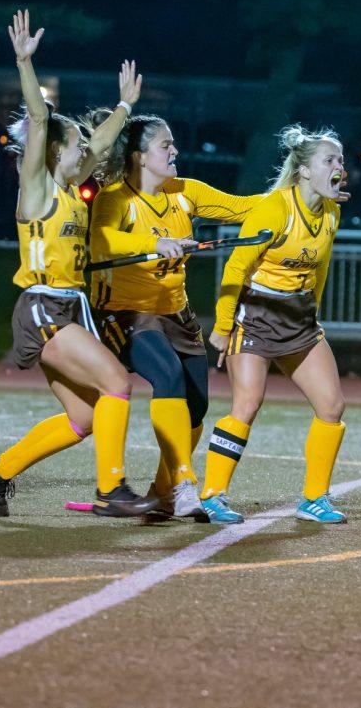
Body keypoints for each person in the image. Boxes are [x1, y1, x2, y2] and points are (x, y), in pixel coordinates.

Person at [0, 9, 159, 519]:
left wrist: (124, 105)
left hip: (69, 309)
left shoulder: (75, 191)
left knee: (85, 418)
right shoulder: (36, 189)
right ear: (54, 150)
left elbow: (100, 142)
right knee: (117, 384)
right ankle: (111, 489)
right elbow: (38, 120)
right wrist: (24, 64)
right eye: (76, 144)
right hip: (43, 305)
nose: (88, 151)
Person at [87, 113, 267, 519]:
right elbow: (102, 240)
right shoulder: (115, 198)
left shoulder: (186, 191)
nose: (175, 151)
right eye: (165, 145)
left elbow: (244, 208)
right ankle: (187, 483)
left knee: (197, 407)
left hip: (176, 314)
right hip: (126, 314)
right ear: (139, 156)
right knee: (167, 378)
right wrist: (155, 241)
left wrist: (299, 194)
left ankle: (162, 493)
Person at [199, 125, 349, 525]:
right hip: (257, 316)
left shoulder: (332, 212)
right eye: (330, 160)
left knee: (332, 407)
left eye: (340, 160)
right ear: (304, 170)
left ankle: (314, 499)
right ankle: (213, 495)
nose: (339, 167)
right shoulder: (274, 209)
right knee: (246, 405)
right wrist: (223, 325)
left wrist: (314, 311)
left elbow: (322, 267)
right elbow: (236, 265)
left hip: (299, 318)